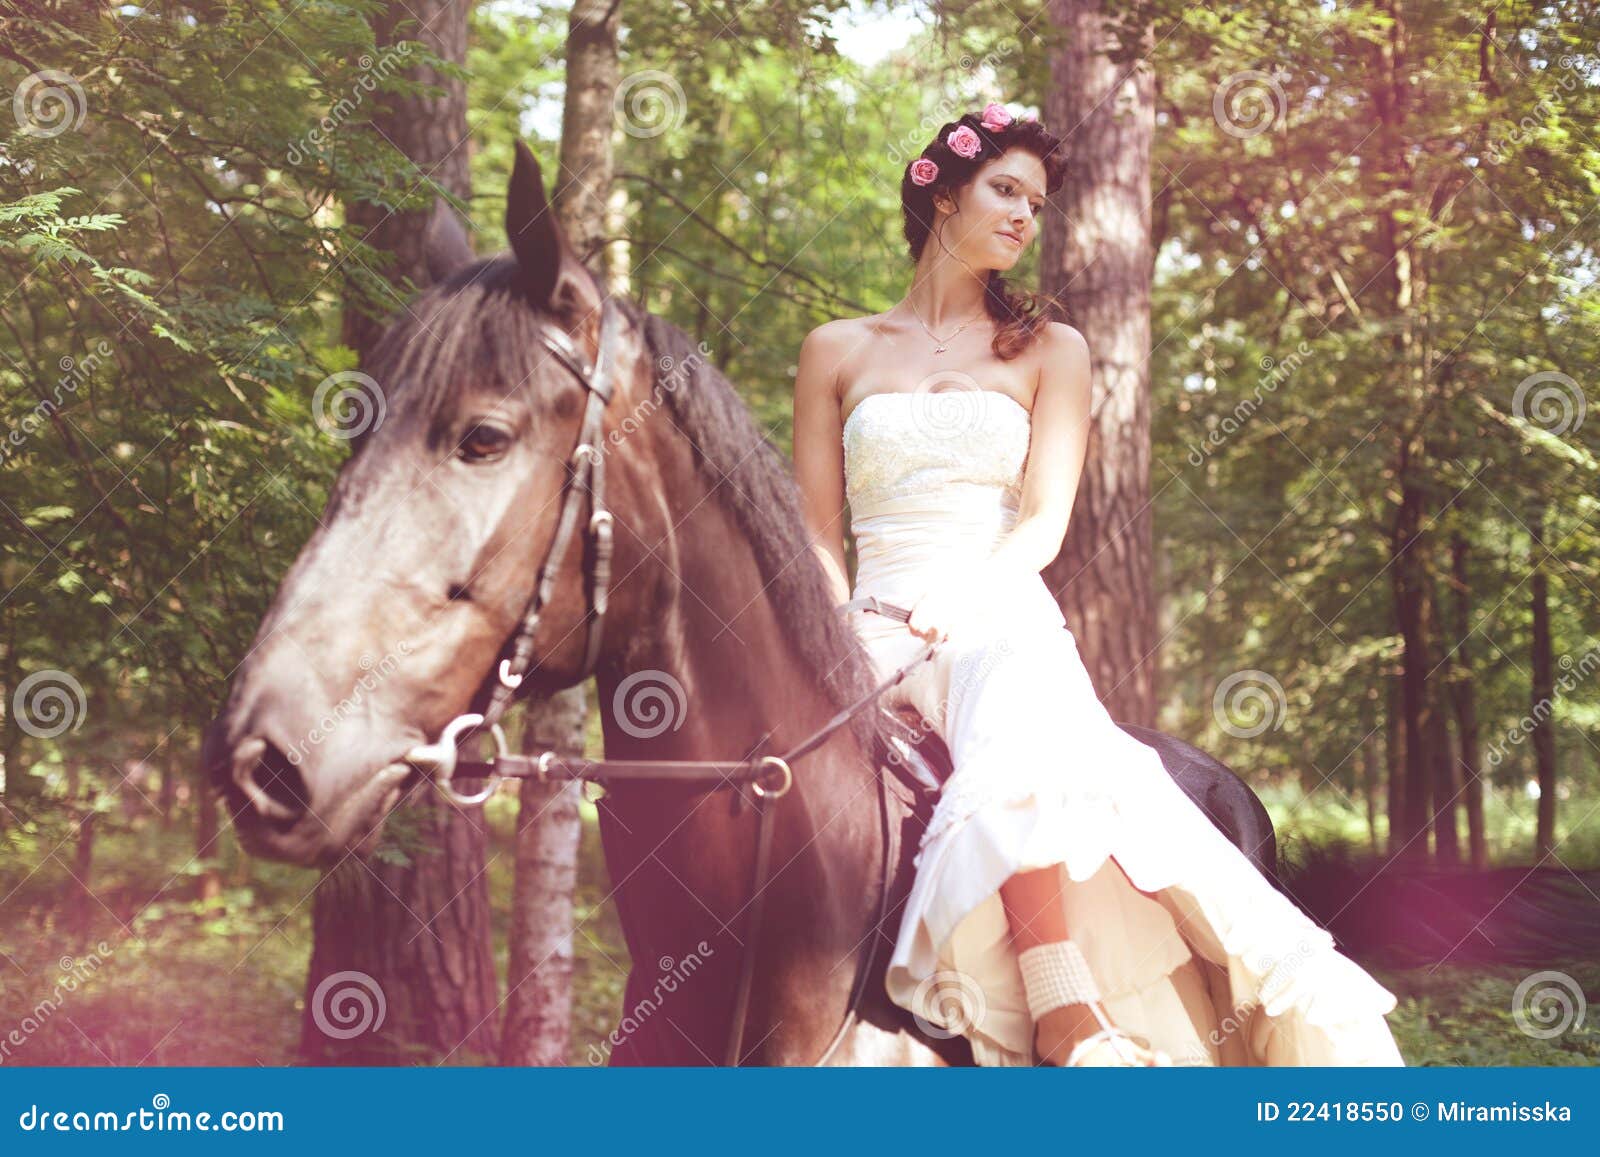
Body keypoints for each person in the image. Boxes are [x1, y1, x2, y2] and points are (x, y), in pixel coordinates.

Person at [790, 103, 1404, 1066]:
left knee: (1019, 719)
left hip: (994, 606)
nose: (1026, 216)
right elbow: (820, 529)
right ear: (942, 191)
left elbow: (1041, 525)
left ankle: (1061, 1000)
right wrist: (839, 620)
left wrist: (958, 604)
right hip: (869, 620)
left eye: (1036, 203)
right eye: (1006, 191)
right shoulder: (837, 347)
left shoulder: (1049, 349)